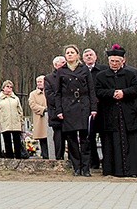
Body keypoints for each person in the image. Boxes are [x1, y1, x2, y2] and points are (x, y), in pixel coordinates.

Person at [95, 44, 137, 177]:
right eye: (112, 61)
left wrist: (124, 93)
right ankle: (113, 170)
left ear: (123, 61)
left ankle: (133, 170)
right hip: (110, 113)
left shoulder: (130, 74)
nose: (114, 64)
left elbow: (136, 89)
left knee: (131, 142)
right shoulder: (101, 76)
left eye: (117, 61)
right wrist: (112, 93)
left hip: (127, 112)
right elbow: (98, 91)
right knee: (111, 142)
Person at [56, 45, 96, 176]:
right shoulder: (61, 71)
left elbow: (91, 90)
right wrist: (59, 110)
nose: (70, 55)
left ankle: (86, 167)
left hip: (83, 105)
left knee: (85, 138)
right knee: (71, 139)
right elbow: (57, 93)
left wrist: (93, 108)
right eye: (67, 53)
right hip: (68, 107)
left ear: (77, 55)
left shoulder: (84, 69)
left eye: (72, 52)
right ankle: (76, 167)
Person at [82, 48, 108, 169]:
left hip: (102, 107)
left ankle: (107, 160)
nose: (88, 57)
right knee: (89, 136)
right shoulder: (80, 71)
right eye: (86, 55)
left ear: (96, 57)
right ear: (83, 58)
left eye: (91, 55)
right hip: (87, 109)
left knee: (104, 134)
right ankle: (93, 162)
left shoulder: (103, 69)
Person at [44, 55, 67, 160]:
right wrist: (62, 104)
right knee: (59, 137)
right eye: (62, 62)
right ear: (55, 65)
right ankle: (59, 158)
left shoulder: (70, 75)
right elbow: (50, 96)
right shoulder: (48, 78)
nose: (64, 64)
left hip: (70, 112)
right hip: (56, 113)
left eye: (64, 62)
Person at [0, 80, 24, 159]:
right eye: (7, 87)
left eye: (11, 87)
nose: (9, 89)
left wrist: (21, 122)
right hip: (5, 122)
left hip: (15, 122)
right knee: (7, 142)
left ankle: (18, 157)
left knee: (17, 142)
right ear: (3, 88)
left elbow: (20, 111)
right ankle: (9, 158)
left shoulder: (16, 99)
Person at [28, 75, 49, 158]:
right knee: (42, 138)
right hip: (40, 119)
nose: (39, 83)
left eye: (41, 81)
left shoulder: (49, 91)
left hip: (50, 118)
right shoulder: (33, 94)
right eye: (38, 82)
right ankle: (44, 155)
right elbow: (32, 105)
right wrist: (43, 109)